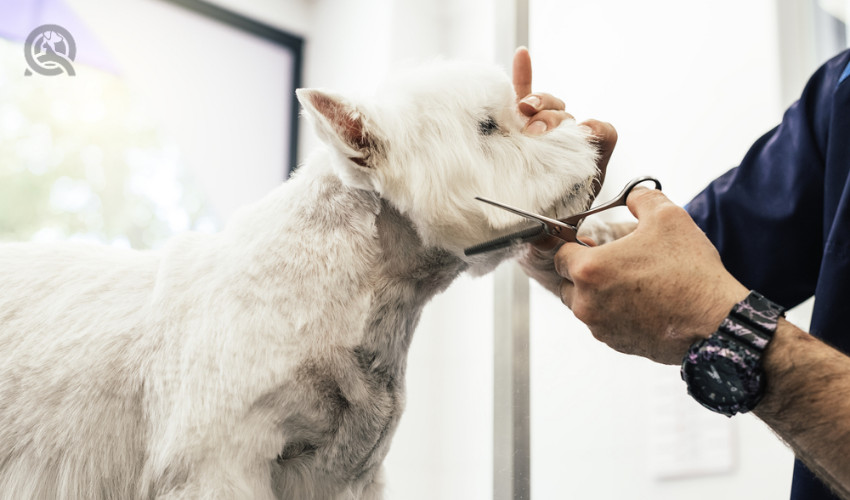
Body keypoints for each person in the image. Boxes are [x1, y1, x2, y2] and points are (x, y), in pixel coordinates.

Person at [511, 46, 850, 499]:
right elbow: (653, 268)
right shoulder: (840, 92)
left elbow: (695, 298)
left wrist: (732, 331)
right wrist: (553, 224)